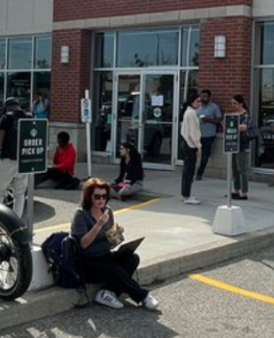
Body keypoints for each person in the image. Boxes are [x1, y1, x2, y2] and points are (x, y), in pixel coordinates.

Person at [70, 178, 158, 311]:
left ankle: (107, 292)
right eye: (97, 196)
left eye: (104, 196)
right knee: (113, 269)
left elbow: (110, 244)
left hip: (105, 255)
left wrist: (117, 236)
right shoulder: (81, 215)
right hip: (87, 263)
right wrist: (99, 224)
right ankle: (142, 296)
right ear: (89, 197)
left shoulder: (107, 211)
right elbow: (83, 244)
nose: (101, 199)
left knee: (132, 258)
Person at [0, 98, 29, 217]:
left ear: (7, 107)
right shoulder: (29, 117)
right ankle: (16, 221)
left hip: (8, 159)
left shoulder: (6, 118)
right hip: (24, 161)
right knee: (19, 193)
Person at [227, 95, 253, 200]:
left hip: (242, 144)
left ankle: (244, 191)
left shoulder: (246, 115)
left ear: (241, 104)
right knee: (234, 168)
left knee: (242, 168)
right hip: (233, 142)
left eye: (235, 103)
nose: (233, 105)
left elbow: (245, 127)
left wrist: (232, 126)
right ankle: (236, 189)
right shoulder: (234, 114)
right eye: (232, 103)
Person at [179, 95, 202, 205]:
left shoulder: (189, 112)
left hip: (187, 143)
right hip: (190, 145)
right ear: (192, 101)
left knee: (187, 171)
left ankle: (185, 194)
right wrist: (198, 146)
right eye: (197, 101)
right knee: (189, 171)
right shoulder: (191, 114)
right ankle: (186, 195)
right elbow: (193, 133)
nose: (199, 103)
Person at [195, 89, 221, 180]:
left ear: (209, 97)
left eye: (205, 96)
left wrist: (209, 120)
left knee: (205, 155)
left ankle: (199, 173)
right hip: (197, 134)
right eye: (202, 96)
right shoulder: (198, 106)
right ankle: (192, 171)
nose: (203, 98)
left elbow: (218, 120)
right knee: (193, 153)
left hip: (208, 135)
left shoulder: (214, 107)